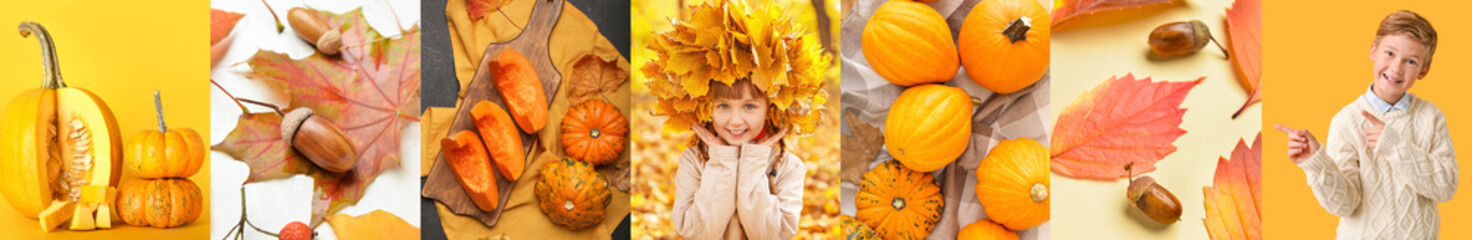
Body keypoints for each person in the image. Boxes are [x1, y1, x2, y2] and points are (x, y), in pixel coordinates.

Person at [1275, 10, 1456, 239]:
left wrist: (1394, 146)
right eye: (1389, 53)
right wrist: (1316, 163)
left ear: (1423, 71)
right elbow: (1345, 205)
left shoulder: (1432, 117)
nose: (1396, 68)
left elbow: (1446, 187)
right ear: (1373, 51)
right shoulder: (1346, 121)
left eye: (1411, 61)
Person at [670, 79, 806, 239]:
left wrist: (753, 162)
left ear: (769, 110)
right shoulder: (693, 159)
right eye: (723, 106)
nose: (735, 121)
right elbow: (696, 234)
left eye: (749, 106)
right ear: (708, 109)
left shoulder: (788, 165)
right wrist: (722, 161)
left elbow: (774, 235)